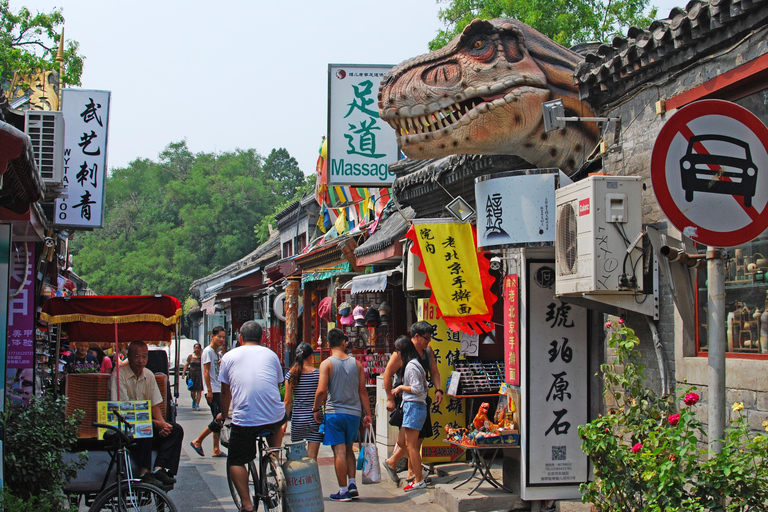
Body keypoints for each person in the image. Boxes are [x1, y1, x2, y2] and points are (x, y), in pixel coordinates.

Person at [216, 321, 286, 512]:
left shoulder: (229, 357)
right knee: (277, 422)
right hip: (274, 416)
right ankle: (274, 459)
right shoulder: (271, 355)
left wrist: (223, 414)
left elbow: (225, 392)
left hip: (246, 419)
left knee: (236, 460)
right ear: (261, 338)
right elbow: (279, 383)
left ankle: (247, 504)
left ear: (240, 338)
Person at [109, 340, 184, 488]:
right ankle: (144, 472)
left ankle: (160, 468)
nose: (141, 360)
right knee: (146, 425)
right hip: (124, 427)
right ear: (129, 356)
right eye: (137, 356)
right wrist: (155, 423)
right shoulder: (119, 375)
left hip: (145, 424)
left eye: (144, 356)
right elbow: (121, 409)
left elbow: (155, 404)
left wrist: (162, 423)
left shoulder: (148, 375)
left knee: (176, 430)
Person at [312, 328, 372, 502]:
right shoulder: (357, 364)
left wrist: (316, 409)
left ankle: (343, 490)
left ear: (328, 344)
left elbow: (321, 390)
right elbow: (363, 392)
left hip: (335, 414)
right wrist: (367, 414)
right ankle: (352, 483)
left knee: (338, 452)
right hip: (354, 414)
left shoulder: (327, 364)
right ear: (344, 343)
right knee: (349, 449)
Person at [382, 322, 443, 485]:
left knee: (416, 438)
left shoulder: (427, 352)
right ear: (416, 336)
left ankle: (399, 466)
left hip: (420, 399)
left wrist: (439, 390)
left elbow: (435, 372)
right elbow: (387, 374)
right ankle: (414, 474)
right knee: (411, 440)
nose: (428, 342)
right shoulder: (401, 353)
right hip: (406, 400)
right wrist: (390, 398)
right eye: (426, 338)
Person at [392, 334, 430, 491]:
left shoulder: (411, 366)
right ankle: (419, 473)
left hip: (414, 406)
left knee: (412, 446)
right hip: (412, 406)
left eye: (397, 350)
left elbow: (417, 388)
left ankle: (419, 478)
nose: (396, 354)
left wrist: (400, 388)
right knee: (403, 442)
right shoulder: (415, 364)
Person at [283, 342, 322, 459]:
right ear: (311, 356)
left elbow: (287, 400)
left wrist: (284, 421)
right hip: (315, 419)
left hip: (298, 420)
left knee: (297, 458)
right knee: (312, 458)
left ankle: (299, 478)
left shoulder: (291, 374)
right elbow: (322, 395)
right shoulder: (318, 374)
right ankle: (312, 477)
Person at [190, 327, 226, 457]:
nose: (222, 339)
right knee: (219, 419)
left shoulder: (216, 353)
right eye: (219, 337)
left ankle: (216, 449)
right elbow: (206, 371)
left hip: (217, 388)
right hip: (213, 390)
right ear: (212, 336)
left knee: (217, 418)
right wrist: (209, 390)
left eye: (223, 337)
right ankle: (198, 441)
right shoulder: (208, 352)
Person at [181, 343, 203, 410]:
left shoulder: (202, 357)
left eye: (198, 348)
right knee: (193, 391)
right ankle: (194, 400)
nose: (196, 349)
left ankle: (197, 404)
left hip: (200, 375)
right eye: (195, 348)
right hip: (192, 375)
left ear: (200, 349)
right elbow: (186, 365)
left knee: (199, 390)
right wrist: (183, 373)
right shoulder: (190, 357)